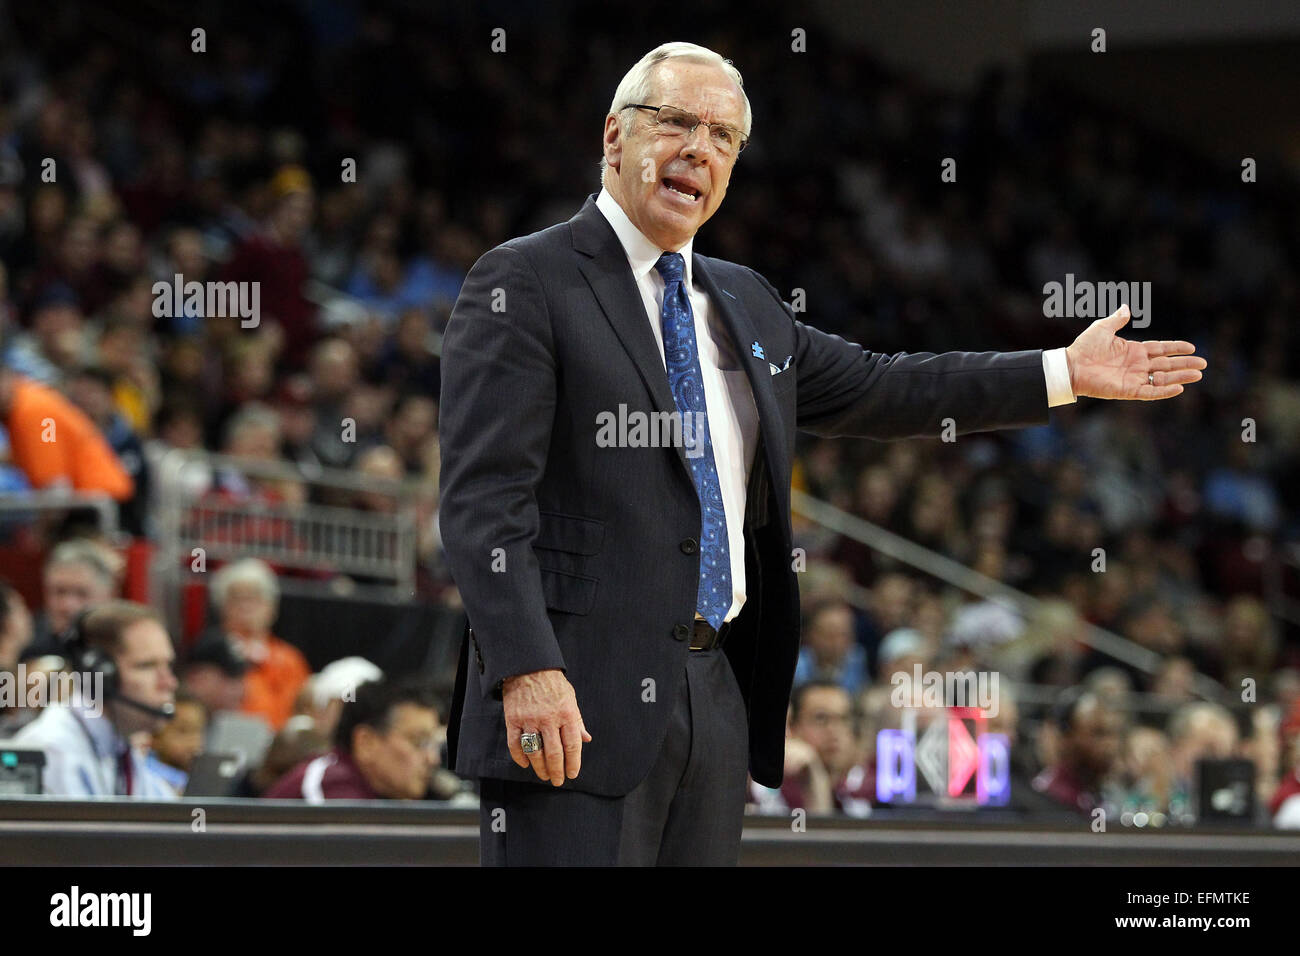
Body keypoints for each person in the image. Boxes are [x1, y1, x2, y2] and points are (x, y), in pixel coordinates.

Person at [437, 41, 1208, 866]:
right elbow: (486, 504)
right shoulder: (525, 279)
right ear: (614, 137)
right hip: (571, 699)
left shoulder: (746, 303)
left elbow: (890, 387)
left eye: (724, 136)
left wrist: (1062, 372)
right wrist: (526, 670)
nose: (699, 148)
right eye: (676, 123)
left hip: (712, 693)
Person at [10, 601, 178, 798]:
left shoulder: (120, 746)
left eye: (168, 665)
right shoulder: (54, 751)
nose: (170, 683)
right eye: (147, 666)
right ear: (102, 674)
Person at [263, 678, 440, 802]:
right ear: (366, 743)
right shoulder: (330, 788)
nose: (432, 759)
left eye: (434, 745)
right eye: (419, 742)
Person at [193, 558, 310, 731]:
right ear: (222, 606)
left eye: (255, 598)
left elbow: (302, 709)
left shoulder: (290, 658)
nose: (246, 606)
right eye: (237, 599)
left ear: (271, 607)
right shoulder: (209, 652)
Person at [20, 538, 119, 661]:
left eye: (81, 594)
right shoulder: (23, 642)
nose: (67, 605)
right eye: (59, 592)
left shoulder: (126, 645)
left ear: (109, 596)